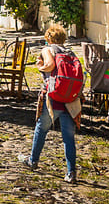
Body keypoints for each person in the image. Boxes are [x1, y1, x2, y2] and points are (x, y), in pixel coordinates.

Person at [20, 23, 81, 183]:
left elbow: (50, 65)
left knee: (41, 128)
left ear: (48, 38)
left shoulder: (48, 50)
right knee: (68, 137)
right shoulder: (70, 52)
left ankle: (33, 160)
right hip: (70, 100)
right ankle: (71, 172)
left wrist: (39, 67)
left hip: (54, 98)